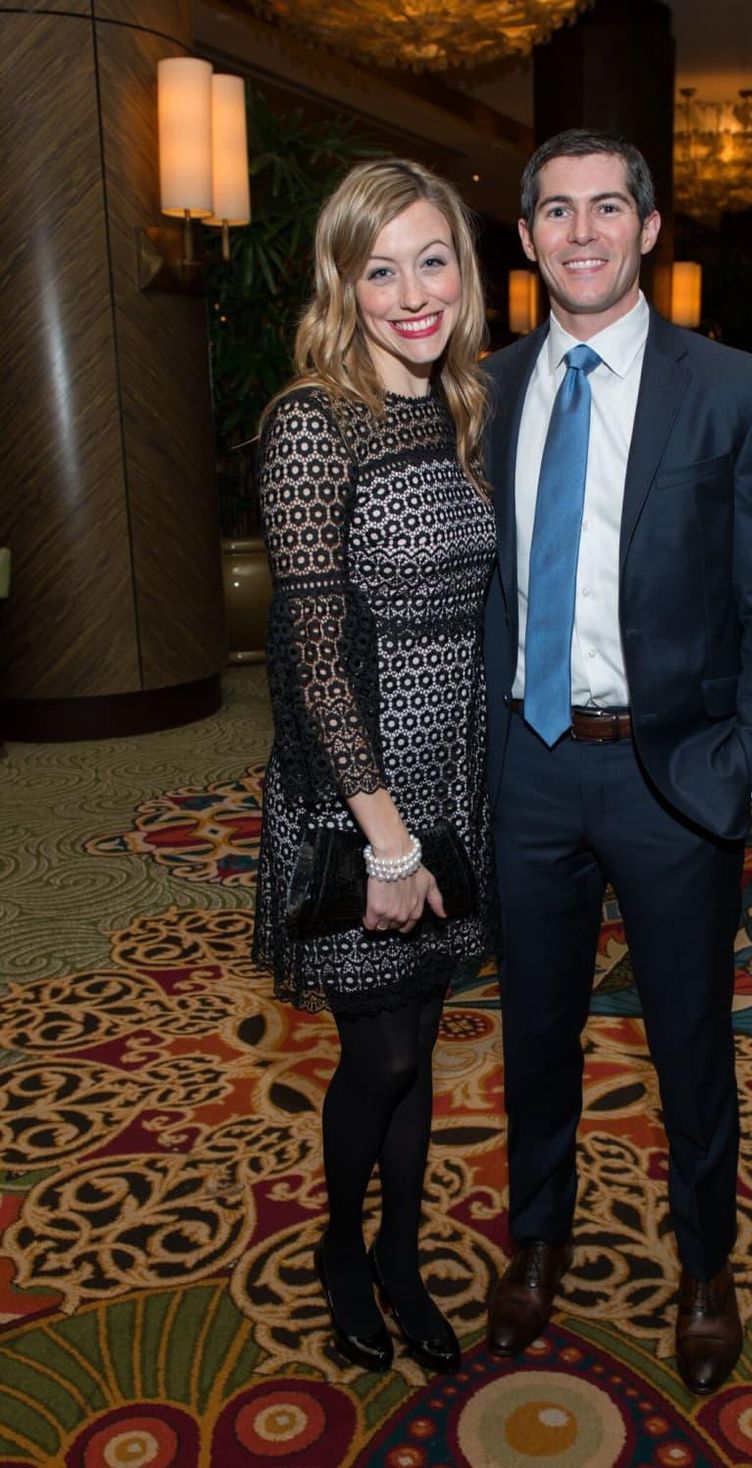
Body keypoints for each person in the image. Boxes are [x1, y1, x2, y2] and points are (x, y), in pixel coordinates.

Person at [482, 129, 752, 1394]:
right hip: (524, 764)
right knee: (534, 1029)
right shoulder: (487, 387)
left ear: (649, 226)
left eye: (605, 207)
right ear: (524, 239)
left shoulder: (734, 390)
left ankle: (706, 1261)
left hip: (674, 774)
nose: (581, 232)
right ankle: (536, 1238)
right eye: (556, 211)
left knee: (687, 1038)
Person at [253, 158, 495, 1376]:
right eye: (378, 267)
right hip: (356, 798)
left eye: (430, 258)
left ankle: (401, 1253)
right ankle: (341, 1249)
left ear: (462, 264)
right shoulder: (311, 422)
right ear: (341, 284)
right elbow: (310, 656)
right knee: (381, 1052)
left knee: (425, 1039)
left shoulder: (458, 406)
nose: (410, 292)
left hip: (453, 780)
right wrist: (386, 838)